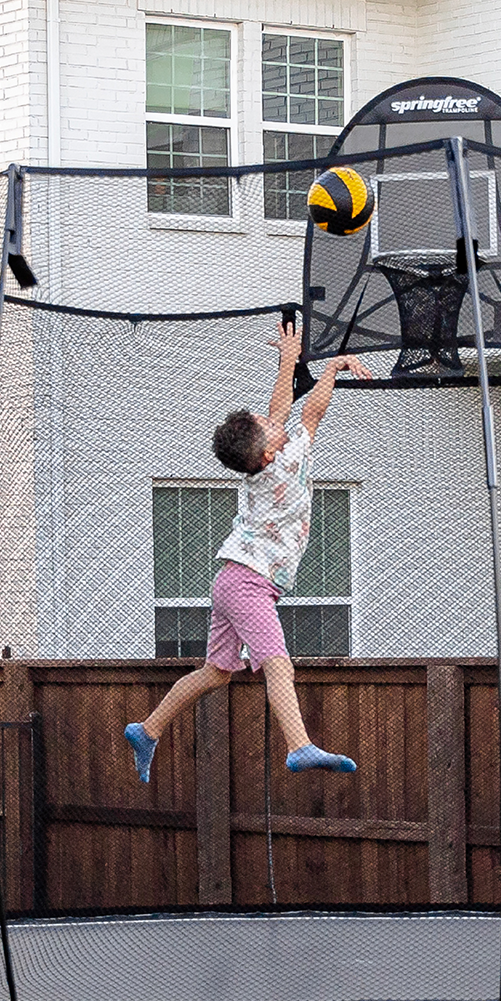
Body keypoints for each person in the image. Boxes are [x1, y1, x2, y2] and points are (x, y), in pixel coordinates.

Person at [128, 318, 368, 781]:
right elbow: (310, 413)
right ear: (267, 454)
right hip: (249, 585)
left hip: (231, 579)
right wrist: (331, 371)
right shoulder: (288, 458)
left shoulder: (263, 462)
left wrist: (287, 362)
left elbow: (279, 411)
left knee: (217, 672)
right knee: (278, 663)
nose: (271, 420)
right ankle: (299, 746)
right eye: (266, 427)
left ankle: (148, 729)